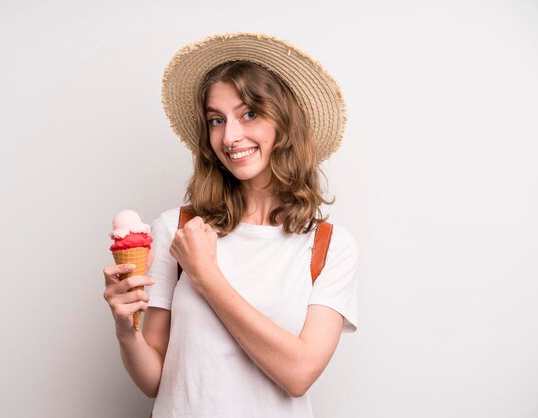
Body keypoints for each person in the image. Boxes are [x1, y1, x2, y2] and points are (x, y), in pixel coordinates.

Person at [103, 33, 358, 417]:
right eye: (216, 120)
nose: (230, 136)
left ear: (284, 123)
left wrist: (207, 276)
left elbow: (299, 373)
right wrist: (125, 328)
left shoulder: (329, 246)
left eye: (249, 114)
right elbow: (155, 380)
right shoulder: (178, 229)